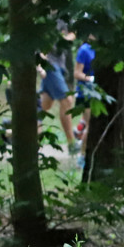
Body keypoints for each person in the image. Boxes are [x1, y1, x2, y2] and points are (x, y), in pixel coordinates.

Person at [39, 22, 80, 154]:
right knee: (67, 100)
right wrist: (40, 63)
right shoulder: (41, 15)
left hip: (62, 62)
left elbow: (74, 32)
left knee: (45, 104)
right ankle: (72, 143)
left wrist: (66, 39)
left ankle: (16, 126)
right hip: (49, 64)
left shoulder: (64, 16)